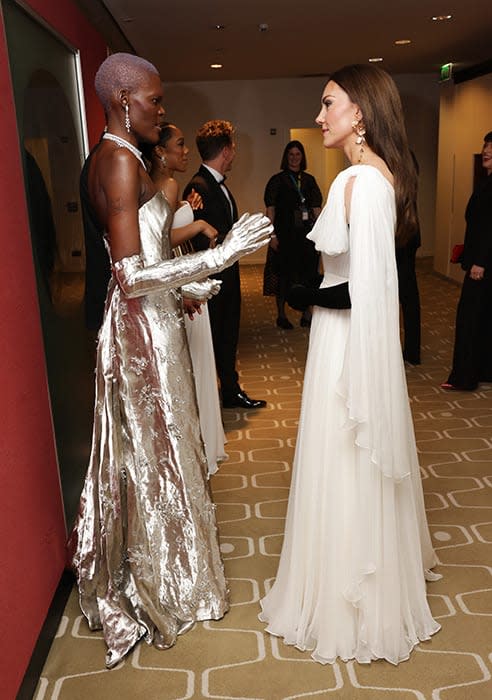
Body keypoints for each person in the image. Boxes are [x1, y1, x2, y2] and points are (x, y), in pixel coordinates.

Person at [69, 53, 272, 668]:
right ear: (125, 99)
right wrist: (220, 256)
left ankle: (172, 574)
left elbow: (141, 263)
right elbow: (131, 277)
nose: (162, 109)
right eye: (154, 99)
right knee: (166, 457)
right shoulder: (121, 165)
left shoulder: (114, 157)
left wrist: (184, 289)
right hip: (143, 333)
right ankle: (170, 588)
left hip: (148, 320)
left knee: (162, 454)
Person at [259, 64, 441, 665]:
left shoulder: (354, 184)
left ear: (358, 112)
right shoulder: (384, 176)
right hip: (365, 338)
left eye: (328, 103)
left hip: (343, 338)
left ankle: (341, 595)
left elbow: (352, 292)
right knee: (355, 460)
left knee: (338, 451)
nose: (319, 116)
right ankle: (371, 574)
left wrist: (297, 292)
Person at [145, 122, 227, 474]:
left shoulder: (162, 186)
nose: (186, 150)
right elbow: (158, 245)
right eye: (180, 144)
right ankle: (199, 451)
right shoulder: (167, 184)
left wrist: (182, 207)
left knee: (193, 364)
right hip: (178, 277)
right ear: (161, 151)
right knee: (194, 365)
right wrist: (195, 225)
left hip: (179, 274)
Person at [183, 120, 267, 409]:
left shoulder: (216, 185)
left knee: (228, 334)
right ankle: (219, 394)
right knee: (217, 336)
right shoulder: (198, 186)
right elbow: (193, 238)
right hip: (213, 279)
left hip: (227, 274)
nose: (235, 152)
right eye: (233, 146)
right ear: (226, 150)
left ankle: (230, 390)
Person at [441, 131, 492, 391]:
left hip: (483, 265)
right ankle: (482, 370)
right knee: (483, 317)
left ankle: (465, 376)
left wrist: (480, 262)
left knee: (469, 318)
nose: (486, 150)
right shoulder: (488, 182)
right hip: (481, 261)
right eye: (485, 145)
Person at [263, 140, 322, 329]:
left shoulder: (309, 181)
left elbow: (316, 209)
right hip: (284, 237)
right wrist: (271, 236)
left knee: (309, 275)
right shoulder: (277, 181)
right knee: (283, 276)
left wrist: (322, 235)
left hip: (307, 238)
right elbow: (270, 211)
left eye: (298, 154)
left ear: (302, 157)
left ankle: (307, 314)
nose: (294, 158)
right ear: (285, 157)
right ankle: (281, 316)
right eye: (291, 154)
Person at [396, 151, 422, 365]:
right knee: (408, 295)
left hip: (402, 237)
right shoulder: (408, 157)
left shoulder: (402, 159)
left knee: (406, 295)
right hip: (407, 235)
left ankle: (411, 351)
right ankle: (411, 351)